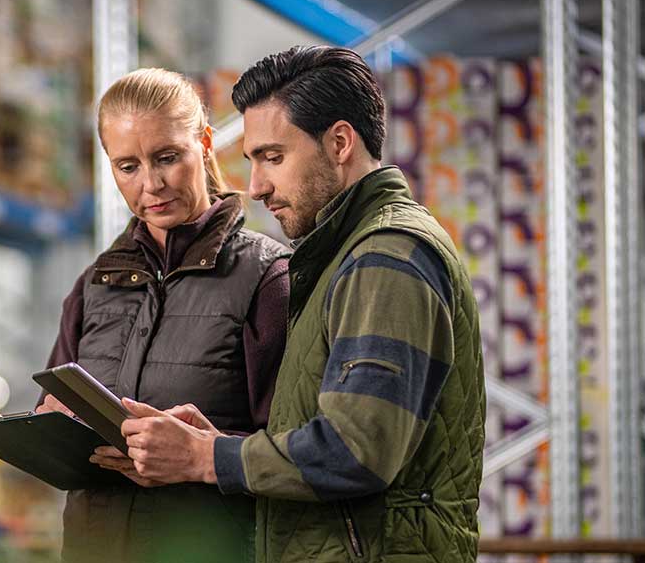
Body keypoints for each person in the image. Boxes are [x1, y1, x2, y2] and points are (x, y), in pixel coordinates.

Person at [93, 46, 486, 562]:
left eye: (273, 157)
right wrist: (219, 444)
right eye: (253, 160)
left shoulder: (387, 256)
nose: (255, 186)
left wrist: (207, 456)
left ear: (340, 143)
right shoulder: (342, 256)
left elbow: (357, 450)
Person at [37, 67, 291, 563]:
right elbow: (52, 402)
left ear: (204, 142)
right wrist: (52, 424)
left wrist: (202, 454)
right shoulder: (94, 286)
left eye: (167, 158)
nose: (151, 184)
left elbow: (297, 450)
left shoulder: (267, 276)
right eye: (127, 167)